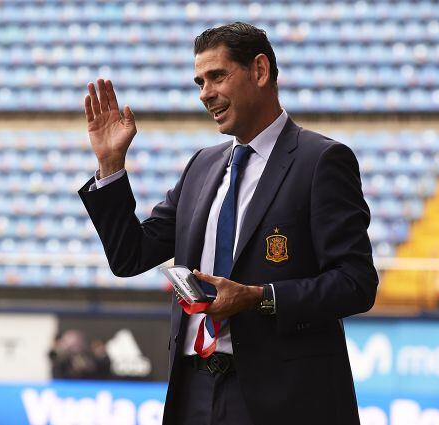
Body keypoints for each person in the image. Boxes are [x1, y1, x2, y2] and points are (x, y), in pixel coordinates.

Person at [78, 22, 377, 425]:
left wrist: (259, 296)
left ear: (259, 70)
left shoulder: (322, 161)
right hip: (194, 392)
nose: (205, 93)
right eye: (199, 81)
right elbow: (130, 256)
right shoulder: (202, 165)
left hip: (284, 399)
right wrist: (111, 165)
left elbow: (356, 284)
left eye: (217, 76)